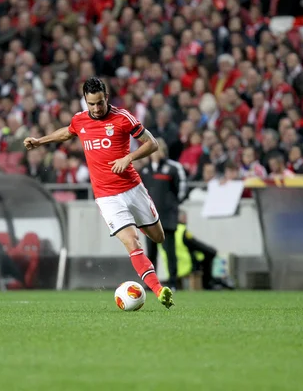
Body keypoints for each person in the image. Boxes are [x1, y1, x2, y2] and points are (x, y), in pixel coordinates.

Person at [24, 77, 174, 308]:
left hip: (132, 188)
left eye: (100, 103)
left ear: (107, 97)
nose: (96, 108)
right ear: (85, 100)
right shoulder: (80, 120)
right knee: (132, 242)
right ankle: (158, 289)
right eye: (91, 104)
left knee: (158, 237)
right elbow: (67, 132)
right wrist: (39, 141)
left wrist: (129, 157)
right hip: (106, 196)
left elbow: (152, 143)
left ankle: (141, 229)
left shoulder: (123, 118)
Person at [139, 138, 186, 289]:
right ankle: (151, 284)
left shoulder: (173, 168)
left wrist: (172, 206)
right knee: (151, 253)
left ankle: (173, 282)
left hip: (167, 217)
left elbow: (182, 189)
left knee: (169, 252)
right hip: (149, 219)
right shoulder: (145, 170)